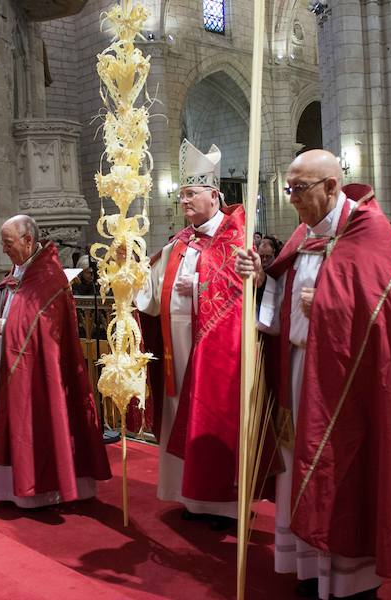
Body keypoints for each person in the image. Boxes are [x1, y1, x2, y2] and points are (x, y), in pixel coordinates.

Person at [236, 150, 391, 600]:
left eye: (300, 189)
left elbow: (389, 317)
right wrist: (261, 277)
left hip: (353, 386)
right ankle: (311, 569)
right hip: (300, 371)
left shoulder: (370, 232)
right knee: (301, 467)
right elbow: (282, 291)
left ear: (332, 186)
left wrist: (329, 307)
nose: (291, 198)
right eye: (288, 188)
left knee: (348, 473)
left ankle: (352, 579)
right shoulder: (304, 234)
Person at [0, 214, 110, 507]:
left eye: (8, 243)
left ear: (28, 240)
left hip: (42, 370)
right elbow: (5, 306)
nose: (4, 249)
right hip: (16, 361)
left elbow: (42, 321)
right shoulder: (22, 269)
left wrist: (10, 325)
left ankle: (45, 489)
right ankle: (17, 486)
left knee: (42, 421)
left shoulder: (48, 275)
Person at [136, 139, 245, 530]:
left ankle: (224, 503)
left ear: (214, 196)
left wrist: (198, 289)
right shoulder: (178, 242)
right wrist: (128, 274)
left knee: (213, 415)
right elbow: (148, 294)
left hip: (215, 351)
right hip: (175, 348)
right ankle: (189, 494)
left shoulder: (236, 239)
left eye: (190, 193)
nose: (183, 200)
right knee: (178, 412)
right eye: (181, 194)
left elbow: (238, 296)